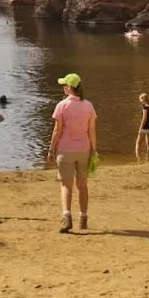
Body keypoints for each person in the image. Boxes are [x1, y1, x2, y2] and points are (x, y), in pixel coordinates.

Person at [47, 73, 97, 233]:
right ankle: (83, 218)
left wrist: (51, 149)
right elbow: (91, 130)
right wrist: (94, 150)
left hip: (65, 150)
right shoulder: (88, 106)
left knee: (66, 185)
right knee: (83, 186)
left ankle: (67, 217)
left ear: (69, 88)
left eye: (64, 85)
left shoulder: (61, 106)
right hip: (84, 149)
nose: (63, 87)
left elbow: (57, 130)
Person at [135, 93, 149, 163]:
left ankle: (139, 159)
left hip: (145, 127)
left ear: (142, 99)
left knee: (138, 143)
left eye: (140, 99)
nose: (139, 100)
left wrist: (140, 128)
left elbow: (144, 118)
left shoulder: (145, 107)